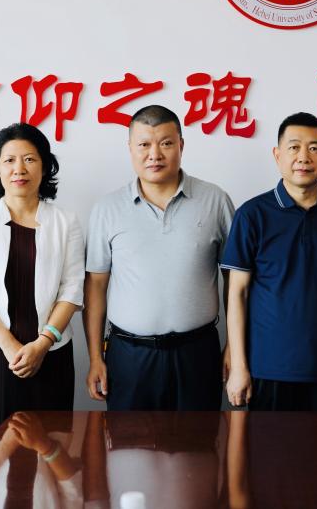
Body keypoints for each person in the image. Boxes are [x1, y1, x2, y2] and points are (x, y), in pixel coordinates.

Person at [84, 105, 234, 411]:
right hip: (129, 355)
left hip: (198, 353)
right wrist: (95, 358)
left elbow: (236, 282)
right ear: (130, 148)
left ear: (181, 145)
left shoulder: (215, 200)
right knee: (127, 441)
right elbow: (95, 286)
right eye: (144, 144)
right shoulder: (107, 209)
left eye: (166, 143)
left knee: (200, 439)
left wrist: (233, 347)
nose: (155, 154)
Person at [223, 112, 317, 411]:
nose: (303, 157)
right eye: (293, 147)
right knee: (268, 444)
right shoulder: (252, 215)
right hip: (268, 368)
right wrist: (238, 366)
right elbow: (237, 293)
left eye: (314, 148)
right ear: (277, 155)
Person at [0, 123, 84, 452]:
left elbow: (72, 289)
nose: (19, 169)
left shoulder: (66, 221)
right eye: (9, 160)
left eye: (29, 159)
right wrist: (8, 344)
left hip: (50, 353)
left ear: (45, 165)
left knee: (50, 451)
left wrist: (42, 343)